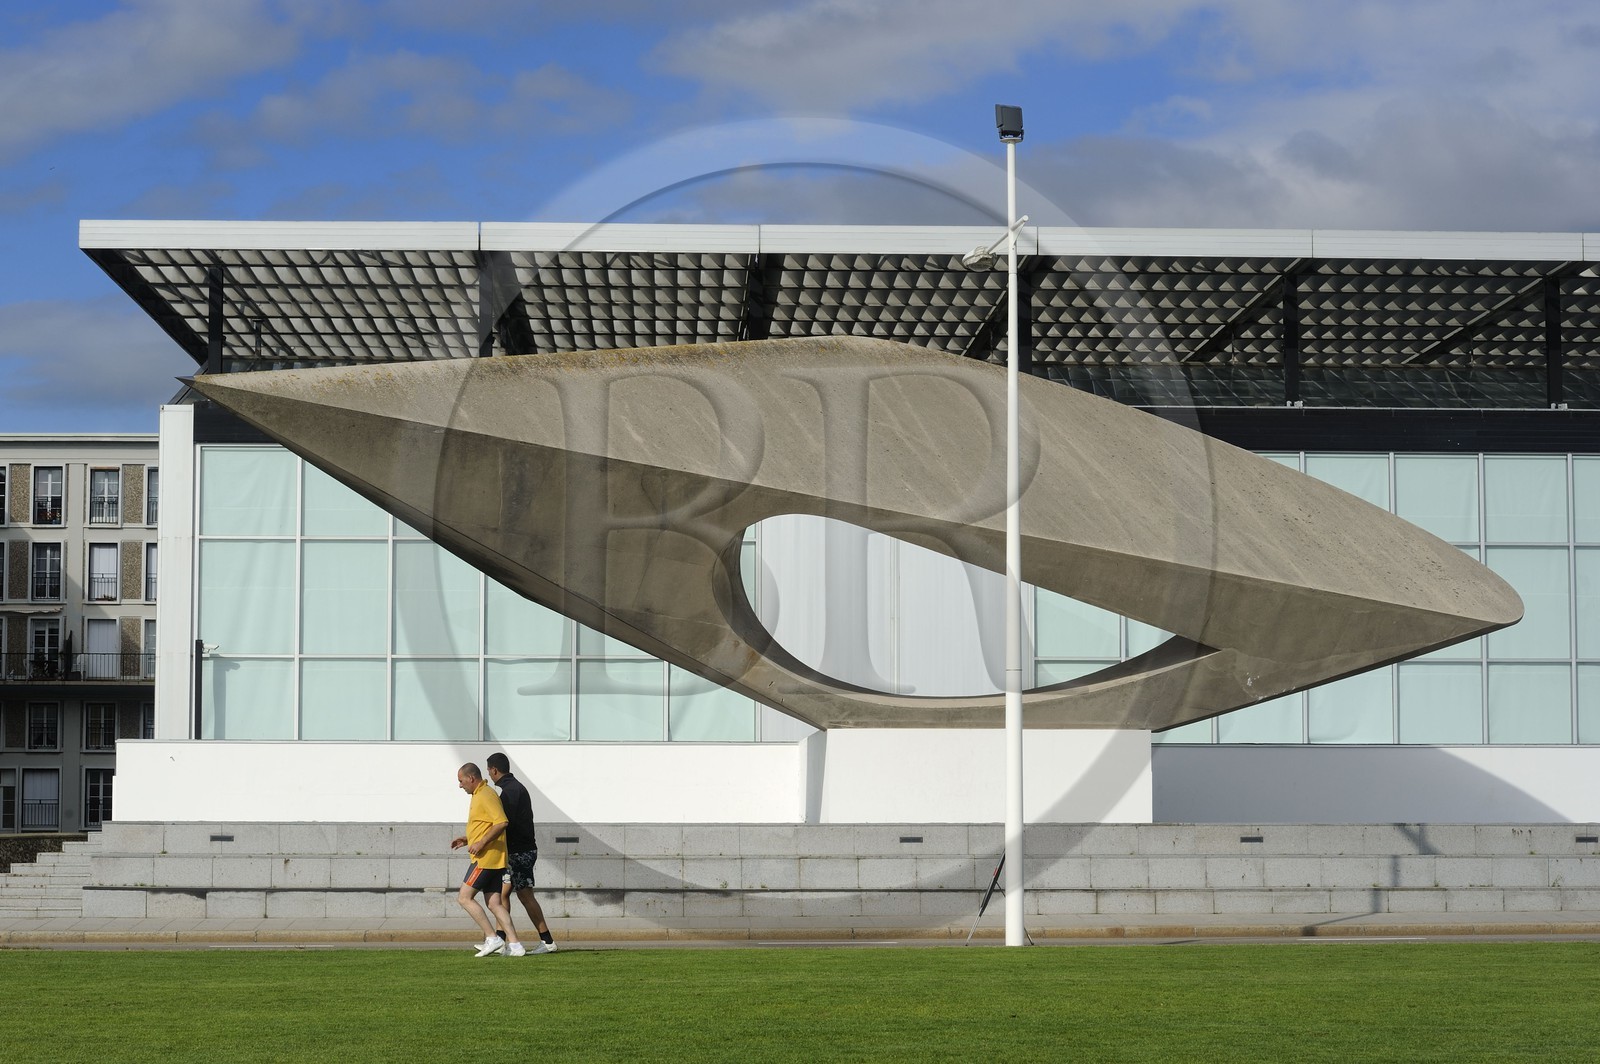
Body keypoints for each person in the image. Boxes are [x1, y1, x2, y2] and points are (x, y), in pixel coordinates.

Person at [450, 762, 524, 958]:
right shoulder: (480, 794)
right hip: (492, 858)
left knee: (464, 897)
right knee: (494, 904)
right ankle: (515, 945)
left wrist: (481, 843)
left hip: (485, 859)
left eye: (461, 781)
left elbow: (501, 822)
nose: (460, 785)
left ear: (471, 778)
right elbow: (486, 824)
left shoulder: (485, 794)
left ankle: (492, 938)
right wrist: (467, 839)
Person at [487, 751, 557, 954]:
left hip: (519, 851)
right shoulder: (515, 787)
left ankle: (547, 941)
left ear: (494, 769)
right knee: (502, 895)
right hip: (520, 849)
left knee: (525, 896)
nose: (489, 775)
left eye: (489, 771)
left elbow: (502, 822)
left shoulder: (505, 791)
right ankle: (500, 940)